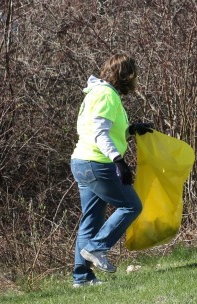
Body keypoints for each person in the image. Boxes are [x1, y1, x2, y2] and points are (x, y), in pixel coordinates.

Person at [70, 54, 153, 287]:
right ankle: (97, 248)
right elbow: (99, 132)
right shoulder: (107, 95)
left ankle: (82, 278)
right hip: (97, 163)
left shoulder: (97, 93)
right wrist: (119, 161)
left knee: (91, 221)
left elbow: (103, 129)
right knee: (131, 205)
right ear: (125, 76)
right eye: (133, 75)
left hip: (82, 162)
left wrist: (131, 130)